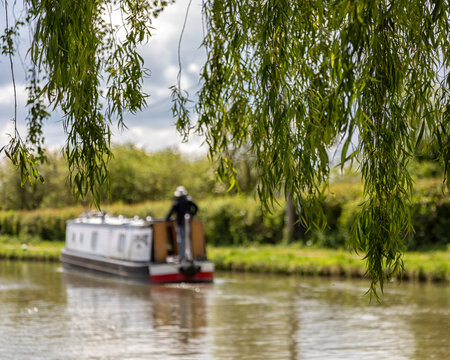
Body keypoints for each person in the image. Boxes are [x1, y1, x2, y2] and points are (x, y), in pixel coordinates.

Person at [165, 186, 198, 260]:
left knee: (180, 239)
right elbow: (196, 208)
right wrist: (191, 215)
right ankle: (190, 255)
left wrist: (166, 219)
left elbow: (171, 211)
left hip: (180, 222)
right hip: (187, 222)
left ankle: (182, 256)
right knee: (188, 238)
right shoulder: (188, 200)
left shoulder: (177, 201)